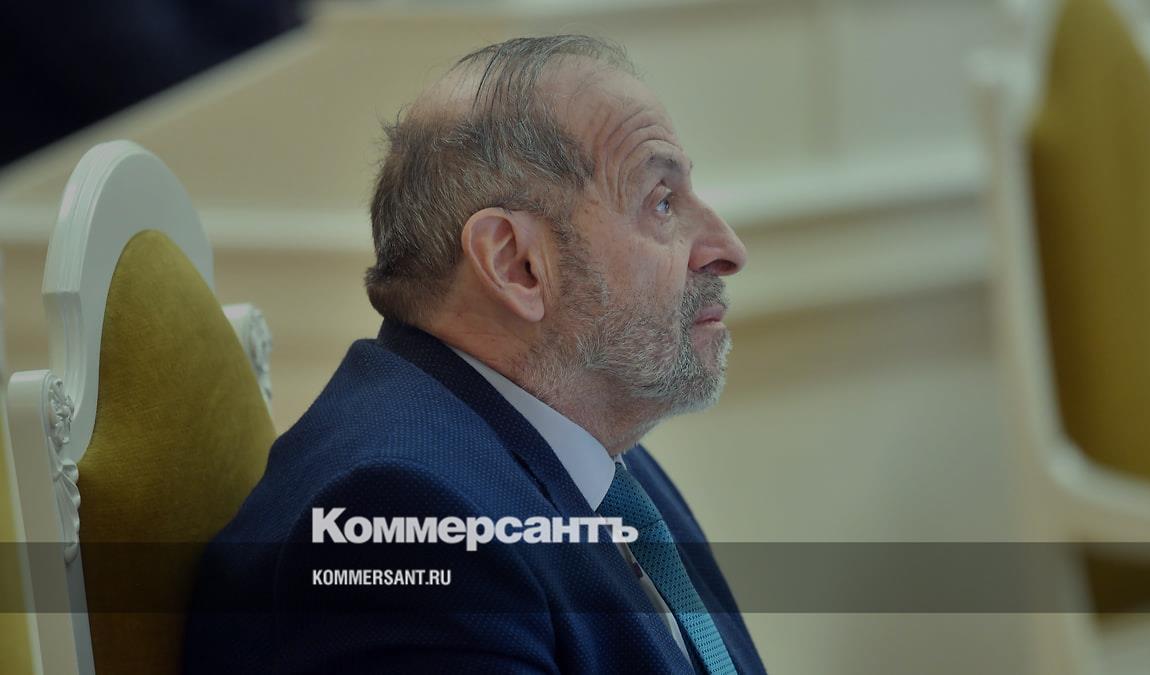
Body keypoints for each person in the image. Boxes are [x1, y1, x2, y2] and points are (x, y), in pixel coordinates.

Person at [184, 34, 764, 674]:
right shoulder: (400, 519)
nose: (727, 248)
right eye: (662, 202)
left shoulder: (599, 447)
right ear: (517, 265)